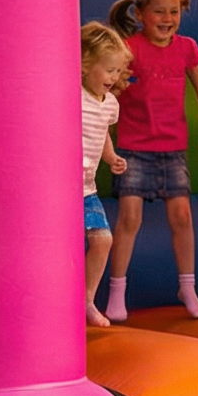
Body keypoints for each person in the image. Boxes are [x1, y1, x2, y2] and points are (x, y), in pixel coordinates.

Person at [106, 0, 198, 322]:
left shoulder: (186, 47)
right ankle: (116, 291)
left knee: (182, 217)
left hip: (173, 147)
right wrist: (105, 137)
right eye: (159, 12)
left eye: (174, 11)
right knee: (129, 218)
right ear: (141, 13)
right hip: (133, 146)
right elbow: (110, 89)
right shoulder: (129, 48)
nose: (167, 18)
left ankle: (187, 286)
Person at [82, 22, 132, 328]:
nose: (113, 77)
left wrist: (111, 156)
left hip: (86, 189)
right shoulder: (72, 95)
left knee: (102, 239)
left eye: (117, 71)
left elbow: (103, 133)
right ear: (86, 66)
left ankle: (87, 299)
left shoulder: (109, 103)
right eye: (108, 70)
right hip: (57, 191)